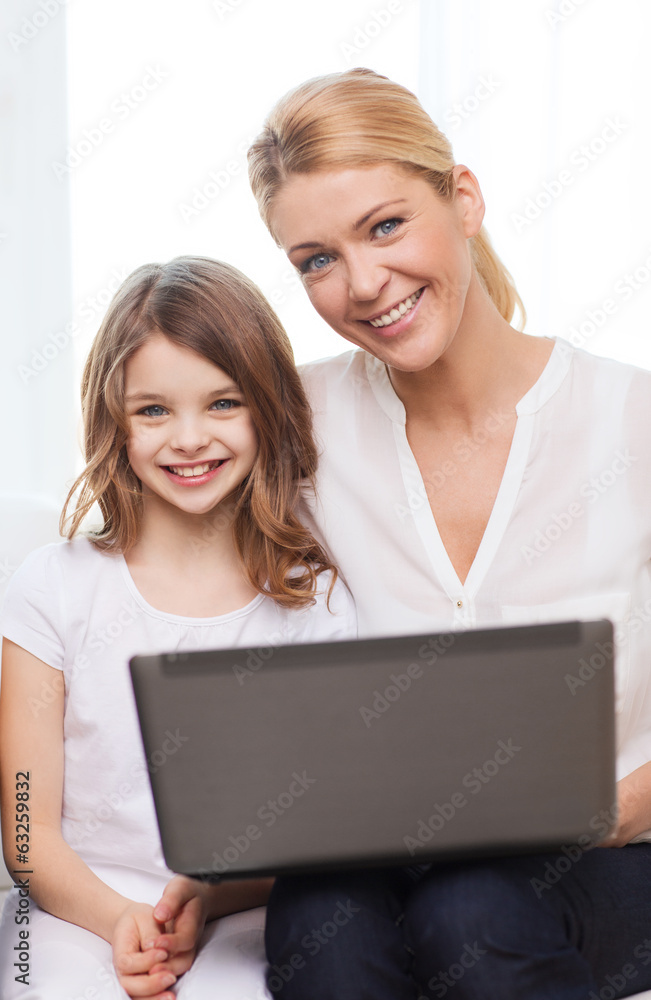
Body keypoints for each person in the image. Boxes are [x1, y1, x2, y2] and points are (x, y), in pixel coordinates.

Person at [244, 68, 651, 999]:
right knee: (319, 916)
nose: (362, 284)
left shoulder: (627, 417)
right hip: (387, 844)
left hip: (615, 850)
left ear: (461, 198)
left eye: (385, 225)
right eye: (315, 259)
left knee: (471, 907)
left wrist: (603, 815)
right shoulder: (294, 424)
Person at [0, 256, 355, 1000]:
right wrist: (121, 917)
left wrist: (198, 902)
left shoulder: (314, 601)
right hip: (75, 910)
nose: (188, 438)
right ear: (114, 423)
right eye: (154, 411)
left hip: (241, 909)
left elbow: (315, 826)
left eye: (223, 404)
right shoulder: (52, 586)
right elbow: (28, 832)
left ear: (266, 408)